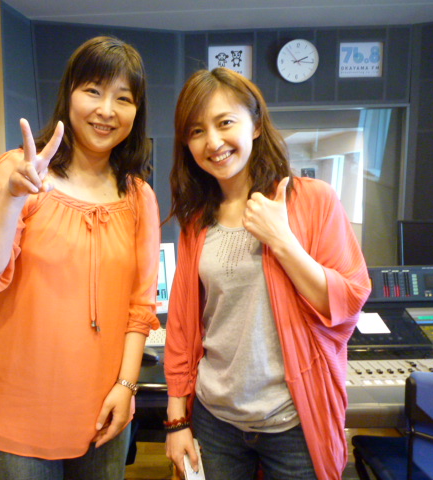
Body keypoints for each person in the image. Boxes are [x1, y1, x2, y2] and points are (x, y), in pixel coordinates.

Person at [0, 36, 161, 480]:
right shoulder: (17, 172)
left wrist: (126, 387)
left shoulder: (140, 197)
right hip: (14, 408)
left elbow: (141, 307)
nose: (106, 110)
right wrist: (11, 198)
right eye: (93, 91)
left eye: (123, 98)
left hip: (103, 406)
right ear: (68, 94)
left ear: (136, 112)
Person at [163, 67, 371, 480]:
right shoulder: (196, 221)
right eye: (197, 131)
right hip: (215, 420)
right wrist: (176, 420)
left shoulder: (314, 200)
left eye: (225, 123)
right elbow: (183, 327)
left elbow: (348, 302)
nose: (213, 142)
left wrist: (282, 240)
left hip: (294, 421)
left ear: (255, 125)